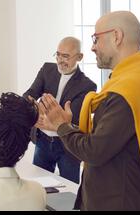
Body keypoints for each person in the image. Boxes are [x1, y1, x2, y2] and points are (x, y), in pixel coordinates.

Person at [37, 11, 140, 210]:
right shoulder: (136, 79)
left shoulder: (126, 90)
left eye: (96, 38)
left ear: (117, 36)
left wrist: (62, 126)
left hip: (116, 202)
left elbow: (94, 151)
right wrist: (69, 126)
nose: (93, 47)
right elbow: (113, 140)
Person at [23, 37, 97, 183]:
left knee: (69, 189)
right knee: (39, 184)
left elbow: (71, 119)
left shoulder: (87, 85)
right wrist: (32, 106)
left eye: (66, 56)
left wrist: (48, 116)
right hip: (43, 140)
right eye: (58, 54)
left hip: (68, 146)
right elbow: (30, 94)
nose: (60, 60)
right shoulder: (47, 69)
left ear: (80, 57)